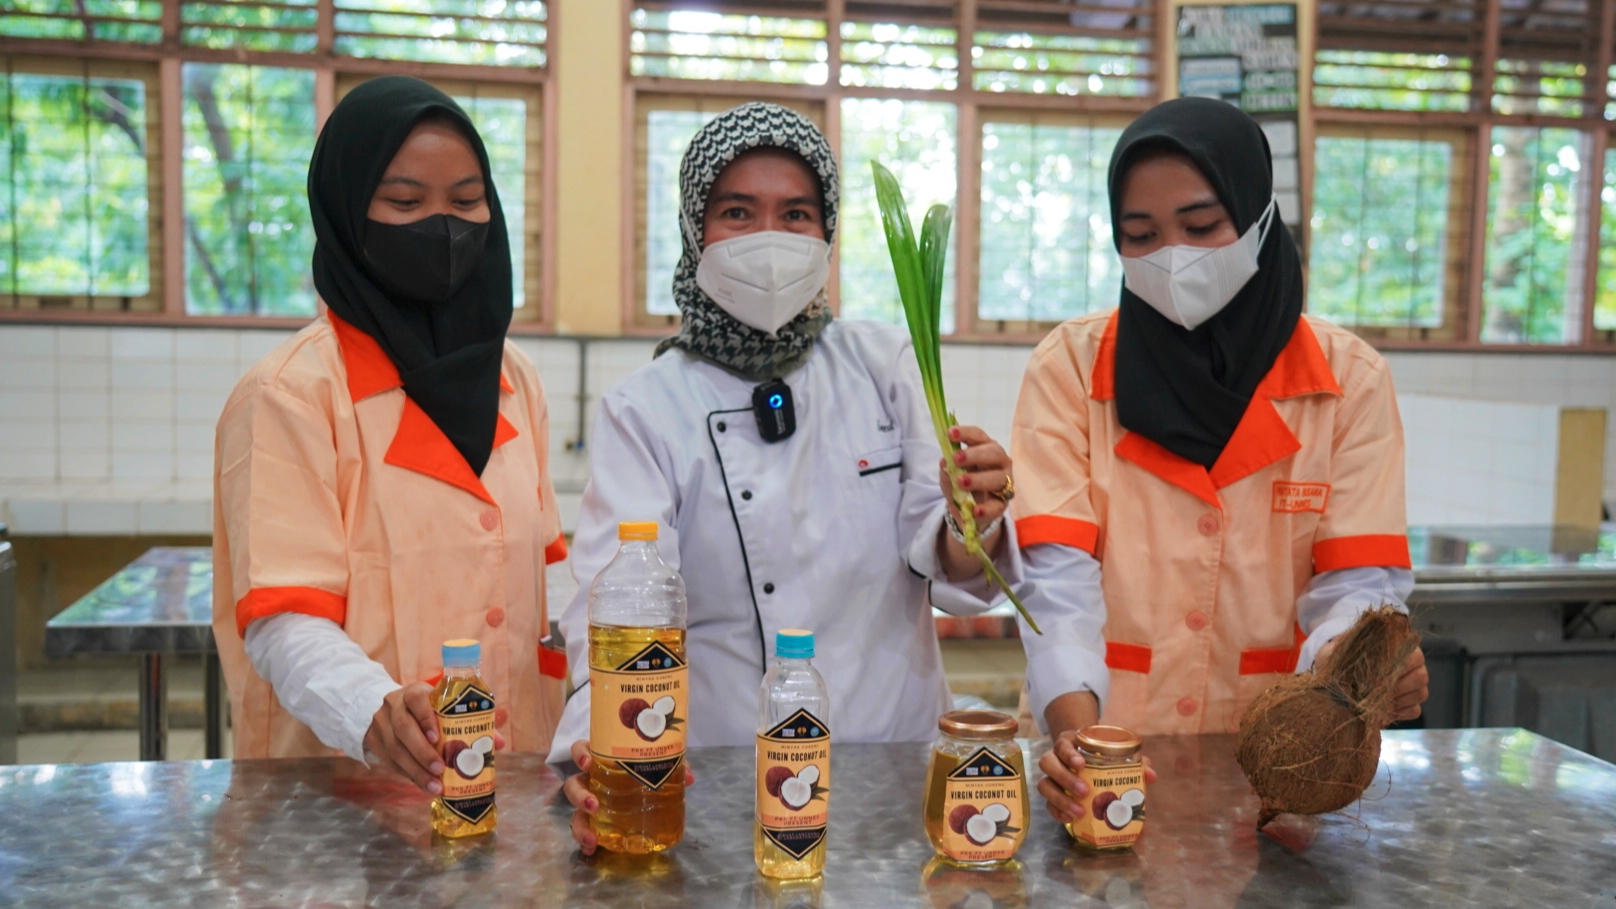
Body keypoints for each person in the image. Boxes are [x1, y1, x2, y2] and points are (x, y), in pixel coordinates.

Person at [549, 102, 1019, 854]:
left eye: (796, 213)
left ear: (827, 233)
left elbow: (953, 564)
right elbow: (616, 603)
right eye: (738, 211)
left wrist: (979, 519)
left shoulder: (882, 362)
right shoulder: (645, 407)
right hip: (717, 786)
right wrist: (595, 750)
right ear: (695, 229)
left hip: (890, 774)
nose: (770, 237)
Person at [1008, 97, 1428, 824]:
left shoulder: (1347, 379)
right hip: (1093, 760)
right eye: (1140, 235)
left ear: (1259, 217)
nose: (1173, 256)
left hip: (1272, 775)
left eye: (1202, 226)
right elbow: (1055, 583)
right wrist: (1080, 737)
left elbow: (1357, 583)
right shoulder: (1072, 368)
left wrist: (1352, 676)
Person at [211, 77, 568, 793]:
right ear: (346, 214)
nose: (443, 226)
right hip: (343, 807)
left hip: (511, 786)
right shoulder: (292, 393)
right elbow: (284, 620)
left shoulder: (513, 378)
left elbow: (549, 577)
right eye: (405, 202)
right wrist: (375, 712)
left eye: (467, 201)